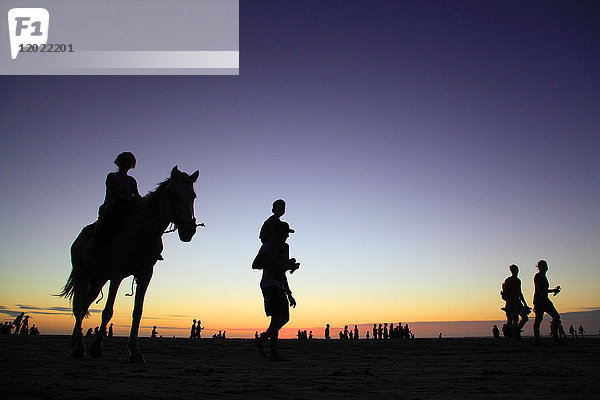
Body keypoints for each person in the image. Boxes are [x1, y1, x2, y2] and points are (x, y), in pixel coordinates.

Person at [254, 221, 299, 361]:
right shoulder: (267, 246)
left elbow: (282, 272)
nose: (287, 236)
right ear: (277, 233)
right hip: (269, 284)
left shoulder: (284, 248)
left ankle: (264, 343)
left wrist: (289, 293)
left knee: (281, 318)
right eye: (285, 233)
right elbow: (256, 264)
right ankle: (271, 350)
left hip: (278, 284)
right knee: (279, 318)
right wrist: (278, 265)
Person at [90, 152, 142, 257]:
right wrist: (123, 192)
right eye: (124, 160)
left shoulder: (132, 180)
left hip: (128, 207)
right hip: (112, 206)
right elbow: (112, 189)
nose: (127, 163)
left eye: (129, 161)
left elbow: (136, 194)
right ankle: (95, 246)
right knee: (104, 223)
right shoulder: (112, 176)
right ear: (119, 162)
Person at [532, 260, 562, 344]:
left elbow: (544, 290)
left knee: (555, 317)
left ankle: (555, 337)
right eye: (543, 265)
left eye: (545, 265)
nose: (545, 267)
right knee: (539, 319)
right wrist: (551, 293)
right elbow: (541, 290)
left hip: (544, 300)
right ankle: (537, 339)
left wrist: (553, 290)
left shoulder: (543, 276)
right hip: (540, 301)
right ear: (539, 267)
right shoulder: (538, 276)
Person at [500, 264, 531, 339]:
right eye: (514, 270)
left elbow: (520, 293)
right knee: (512, 319)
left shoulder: (518, 281)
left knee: (524, 318)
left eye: (516, 270)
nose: (516, 271)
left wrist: (525, 304)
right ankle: (511, 335)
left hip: (517, 302)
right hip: (511, 302)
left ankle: (516, 331)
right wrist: (509, 302)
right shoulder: (509, 280)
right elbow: (505, 292)